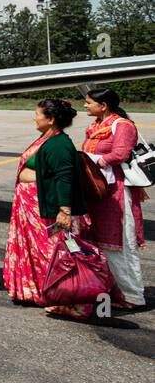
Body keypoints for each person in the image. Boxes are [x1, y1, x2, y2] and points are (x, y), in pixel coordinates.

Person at [4, 98, 94, 318]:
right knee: (39, 252)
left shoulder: (59, 144)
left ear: (51, 119)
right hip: (31, 209)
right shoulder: (47, 138)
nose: (34, 117)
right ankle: (40, 292)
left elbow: (64, 178)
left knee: (54, 252)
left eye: (38, 113)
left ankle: (70, 298)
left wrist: (64, 210)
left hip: (46, 210)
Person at [79, 88, 146, 308]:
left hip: (116, 191)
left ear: (103, 105)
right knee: (101, 242)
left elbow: (120, 155)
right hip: (98, 190)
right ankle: (110, 288)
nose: (85, 106)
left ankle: (132, 295)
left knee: (121, 242)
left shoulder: (123, 125)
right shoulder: (96, 126)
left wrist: (92, 162)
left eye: (89, 103)